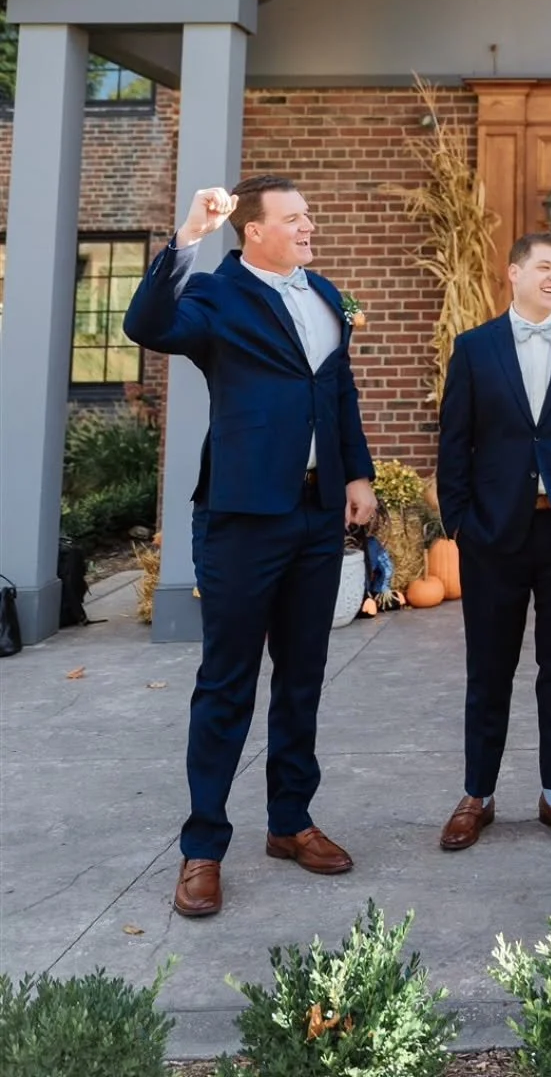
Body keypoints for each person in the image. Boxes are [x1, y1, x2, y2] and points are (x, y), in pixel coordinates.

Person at [123, 178, 377, 920]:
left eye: (309, 215)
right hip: (241, 516)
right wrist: (188, 237)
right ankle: (203, 847)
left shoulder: (325, 294)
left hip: (316, 514)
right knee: (227, 683)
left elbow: (338, 390)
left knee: (302, 678)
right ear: (255, 231)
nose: (308, 226)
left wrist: (357, 473)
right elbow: (147, 325)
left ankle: (290, 822)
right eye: (294, 218)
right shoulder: (217, 295)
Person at [434, 233, 551, 854]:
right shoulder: (475, 348)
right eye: (544, 266)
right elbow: (454, 441)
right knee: (489, 668)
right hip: (493, 534)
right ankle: (477, 794)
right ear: (513, 273)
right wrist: (459, 524)